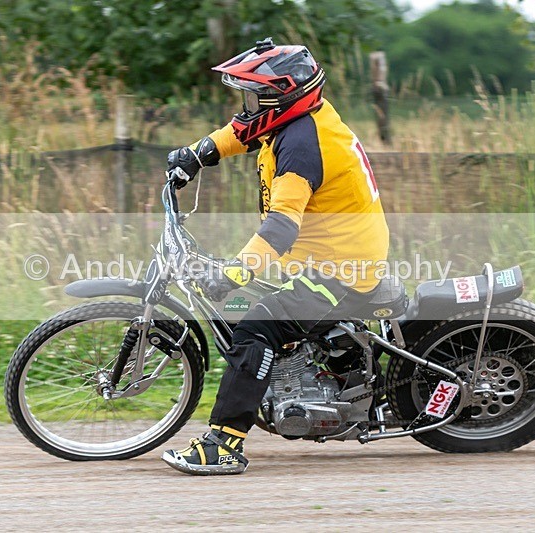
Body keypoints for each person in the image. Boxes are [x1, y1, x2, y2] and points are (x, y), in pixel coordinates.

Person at [161, 38, 389, 475]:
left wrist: (234, 274)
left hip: (338, 266)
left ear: (281, 96)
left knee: (255, 329)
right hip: (320, 253)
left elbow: (282, 227)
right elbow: (243, 132)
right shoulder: (297, 120)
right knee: (250, 308)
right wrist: (197, 154)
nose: (246, 108)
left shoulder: (303, 145)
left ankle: (224, 446)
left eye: (253, 97)